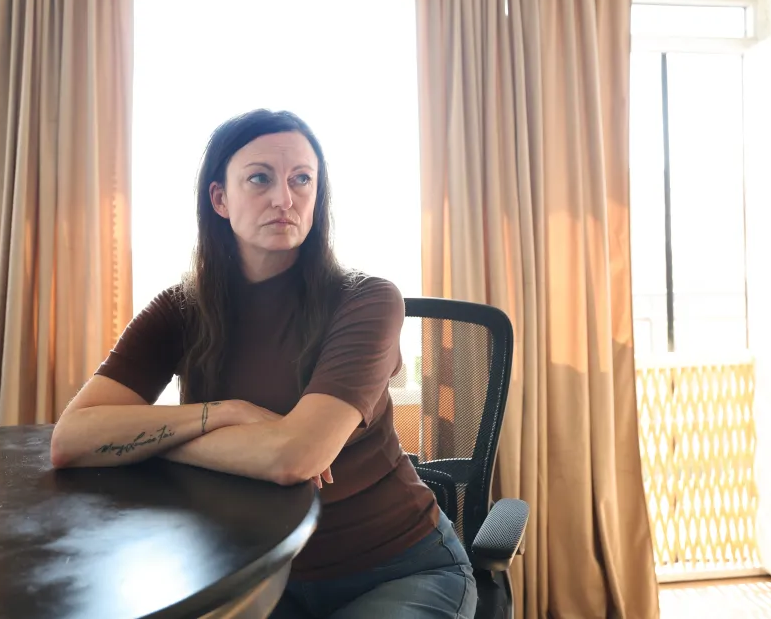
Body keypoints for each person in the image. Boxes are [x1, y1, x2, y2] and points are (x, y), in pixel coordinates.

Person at [49, 109, 477, 618]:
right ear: (220, 199)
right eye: (260, 178)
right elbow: (71, 439)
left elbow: (293, 458)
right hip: (255, 575)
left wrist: (148, 444)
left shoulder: (366, 300)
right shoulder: (179, 309)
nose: (284, 199)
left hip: (396, 566)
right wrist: (224, 413)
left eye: (302, 179)